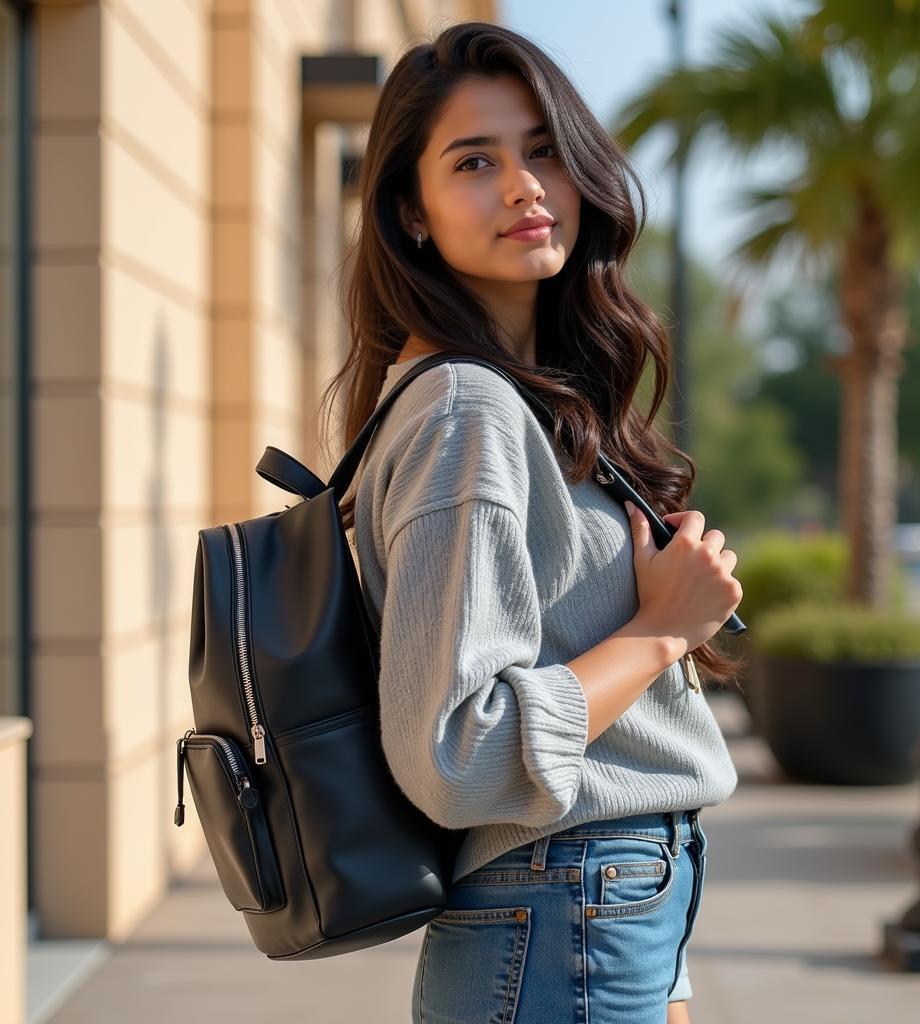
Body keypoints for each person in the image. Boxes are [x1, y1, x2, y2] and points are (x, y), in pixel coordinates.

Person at [325, 21, 745, 1024]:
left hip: (606, 906)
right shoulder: (464, 409)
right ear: (411, 212)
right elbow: (458, 752)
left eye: (543, 149)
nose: (523, 185)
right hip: (567, 907)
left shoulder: (526, 404)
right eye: (475, 161)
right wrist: (658, 631)